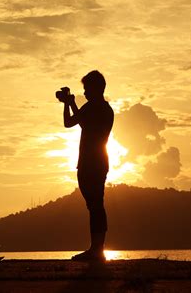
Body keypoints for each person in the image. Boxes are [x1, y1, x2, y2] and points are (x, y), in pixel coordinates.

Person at [61, 70, 114, 262]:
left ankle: (97, 249)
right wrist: (68, 104)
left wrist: (71, 103)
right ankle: (96, 248)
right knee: (94, 205)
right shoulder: (91, 107)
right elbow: (69, 123)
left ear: (96, 88)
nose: (84, 92)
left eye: (86, 88)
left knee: (96, 205)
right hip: (88, 162)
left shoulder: (101, 109)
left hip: (95, 162)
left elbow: (85, 125)